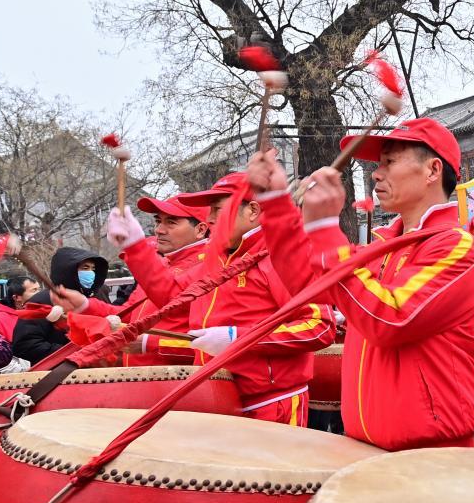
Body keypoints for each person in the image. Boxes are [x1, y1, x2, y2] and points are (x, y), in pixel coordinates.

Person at [247, 117, 474, 450]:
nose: (376, 173)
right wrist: (276, 203)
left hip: (432, 454)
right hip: (366, 444)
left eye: (389, 162)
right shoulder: (381, 247)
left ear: (432, 171)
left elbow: (390, 318)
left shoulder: (456, 246)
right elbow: (305, 282)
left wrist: (329, 229)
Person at [105, 173, 336, 425]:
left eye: (217, 209)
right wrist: (136, 245)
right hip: (219, 396)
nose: (211, 218)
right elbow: (172, 296)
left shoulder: (285, 255)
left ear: (253, 211)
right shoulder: (216, 259)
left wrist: (238, 339)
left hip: (269, 402)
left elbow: (319, 326)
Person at [117, 194, 210, 366]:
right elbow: (128, 314)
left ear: (200, 230)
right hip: (142, 382)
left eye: (171, 222)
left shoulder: (208, 267)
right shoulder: (165, 265)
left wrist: (150, 343)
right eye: (158, 221)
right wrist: (84, 307)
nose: (159, 229)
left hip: (177, 384)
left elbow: (213, 344)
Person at [12, 248, 108, 363]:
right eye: (85, 268)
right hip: (61, 374)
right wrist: (74, 353)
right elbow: (26, 345)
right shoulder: (41, 301)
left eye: (93, 269)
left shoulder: (94, 297)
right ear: (68, 271)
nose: (90, 273)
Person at [0, 275, 40, 342]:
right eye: (34, 290)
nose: (40, 293)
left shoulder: (42, 313)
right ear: (16, 297)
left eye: (39, 289)